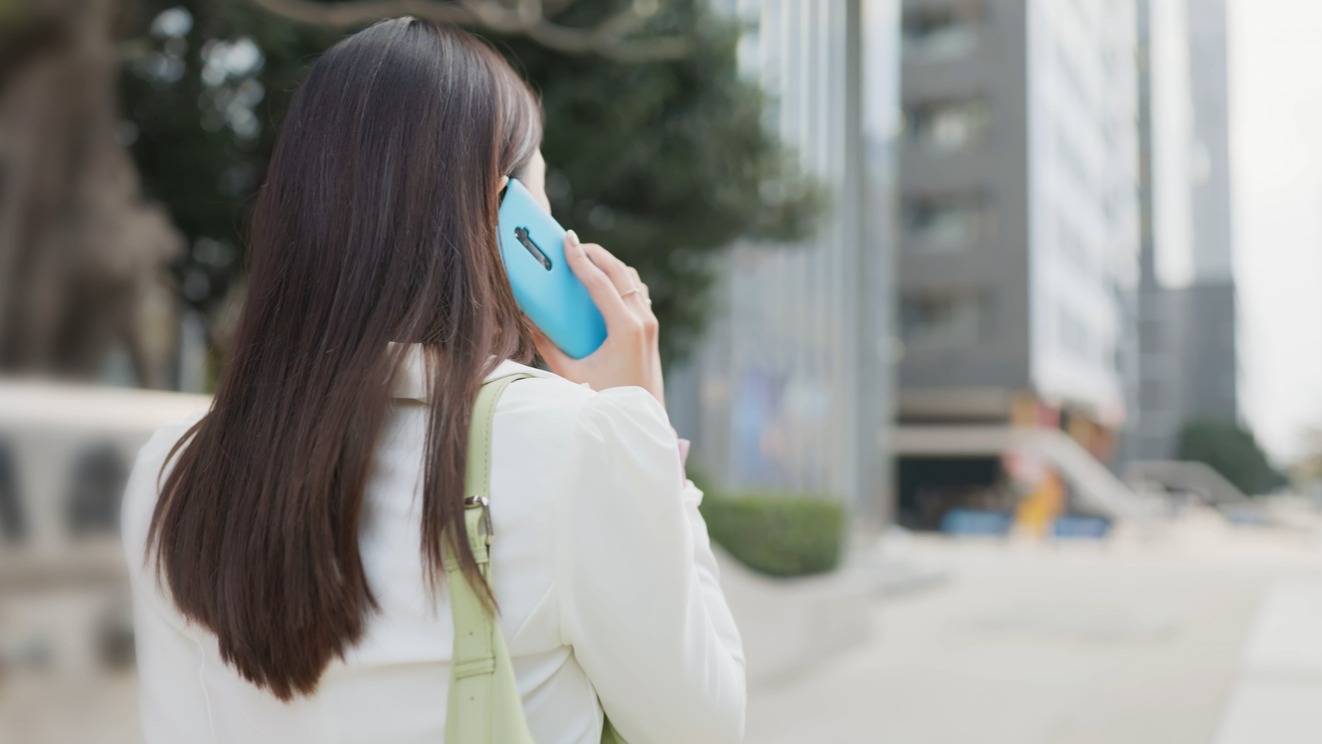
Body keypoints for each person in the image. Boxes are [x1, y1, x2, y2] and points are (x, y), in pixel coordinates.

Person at [120, 18, 745, 744]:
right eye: (540, 193)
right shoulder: (581, 442)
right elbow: (704, 727)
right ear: (508, 227)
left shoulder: (172, 470)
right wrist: (646, 433)